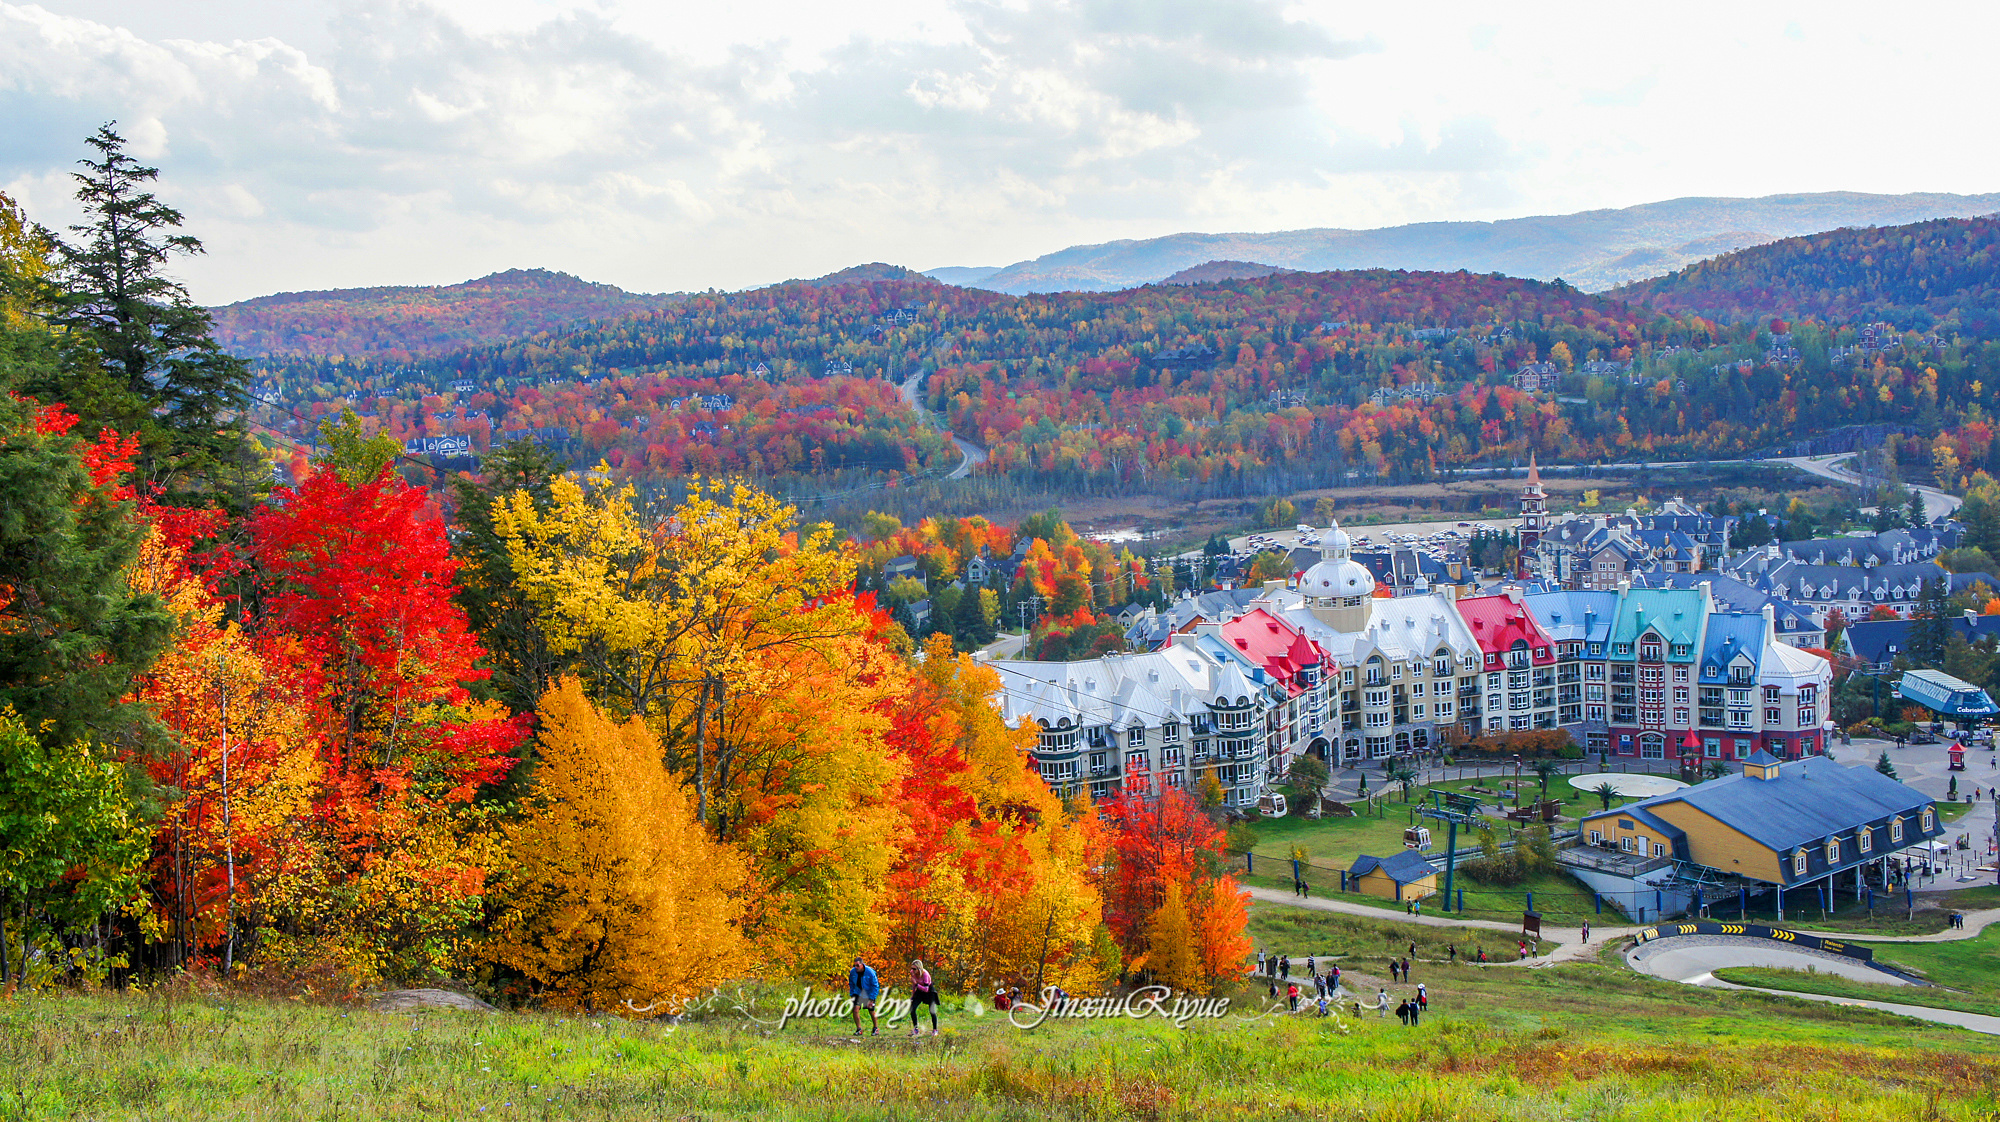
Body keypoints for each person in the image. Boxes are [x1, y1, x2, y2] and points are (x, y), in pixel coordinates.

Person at [848, 957, 881, 1036]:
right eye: (854, 965)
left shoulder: (870, 972)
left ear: (862, 964)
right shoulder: (853, 972)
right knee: (855, 1010)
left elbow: (875, 986)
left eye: (857, 965)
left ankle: (875, 1028)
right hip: (857, 992)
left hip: (868, 993)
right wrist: (852, 993)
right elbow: (851, 983)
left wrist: (872, 998)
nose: (856, 967)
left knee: (871, 1010)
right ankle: (859, 1029)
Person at [909, 959, 940, 1037]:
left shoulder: (925, 974)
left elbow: (926, 989)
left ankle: (935, 1029)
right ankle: (916, 1029)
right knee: (912, 1009)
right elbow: (913, 985)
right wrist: (912, 996)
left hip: (929, 991)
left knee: (932, 1011)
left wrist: (916, 985)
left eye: (914, 969)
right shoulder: (913, 973)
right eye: (911, 968)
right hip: (920, 991)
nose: (912, 970)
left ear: (919, 968)